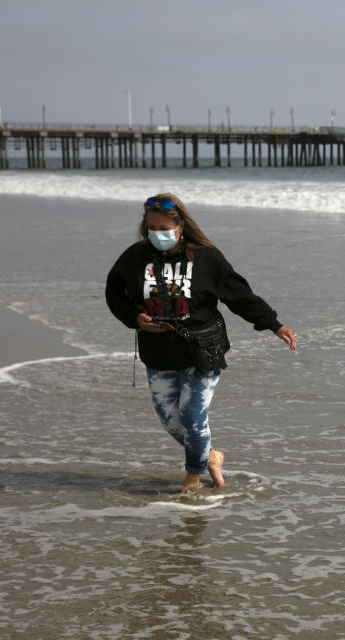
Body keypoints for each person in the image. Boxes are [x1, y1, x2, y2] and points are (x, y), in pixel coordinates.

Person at [105, 193, 296, 492]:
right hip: (158, 353)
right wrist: (134, 317)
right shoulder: (134, 258)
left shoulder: (205, 258)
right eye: (152, 228)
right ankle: (211, 457)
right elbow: (114, 295)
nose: (158, 234)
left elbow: (239, 295)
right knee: (171, 422)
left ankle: (192, 481)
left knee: (192, 418)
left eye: (164, 228)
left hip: (201, 350)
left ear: (181, 226)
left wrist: (273, 323)